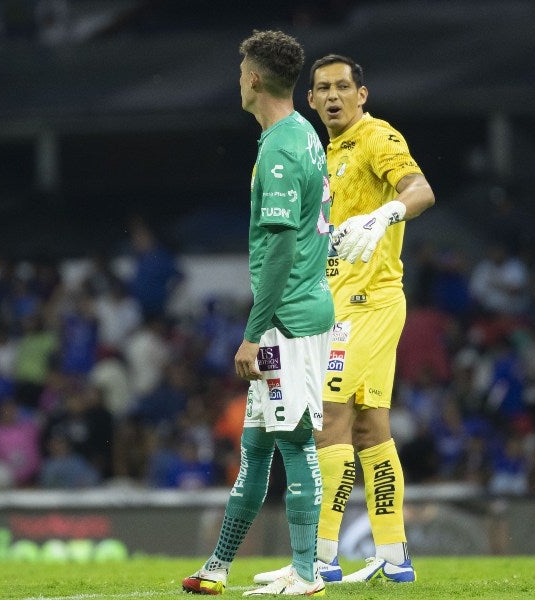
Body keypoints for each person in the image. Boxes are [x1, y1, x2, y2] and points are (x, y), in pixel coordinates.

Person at [253, 53, 435, 585]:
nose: (332, 96)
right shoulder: (323, 150)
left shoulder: (378, 138)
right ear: (309, 100)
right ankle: (395, 555)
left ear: (362, 94)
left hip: (370, 304)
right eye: (322, 89)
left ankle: (320, 558)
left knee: (326, 416)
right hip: (338, 306)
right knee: (368, 424)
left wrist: (387, 214)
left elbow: (420, 190)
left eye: (342, 87)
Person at [181, 29, 333, 596]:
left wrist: (253, 331)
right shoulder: (300, 135)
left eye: (239, 68)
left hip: (286, 320)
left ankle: (306, 571)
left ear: (253, 78)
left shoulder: (282, 148)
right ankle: (219, 565)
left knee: (292, 440)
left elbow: (282, 251)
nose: (236, 78)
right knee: (257, 445)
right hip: (294, 312)